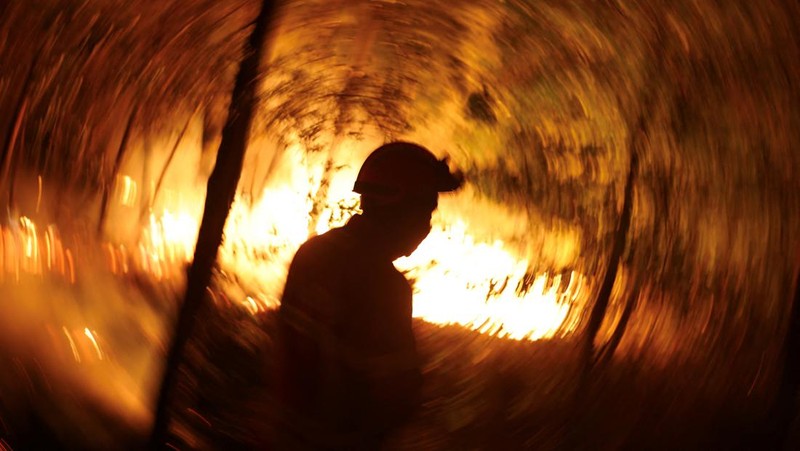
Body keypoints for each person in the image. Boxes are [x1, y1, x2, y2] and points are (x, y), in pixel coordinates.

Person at [275, 142, 463, 449]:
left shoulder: (313, 252)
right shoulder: (385, 285)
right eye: (425, 210)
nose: (427, 226)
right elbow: (397, 395)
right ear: (399, 208)